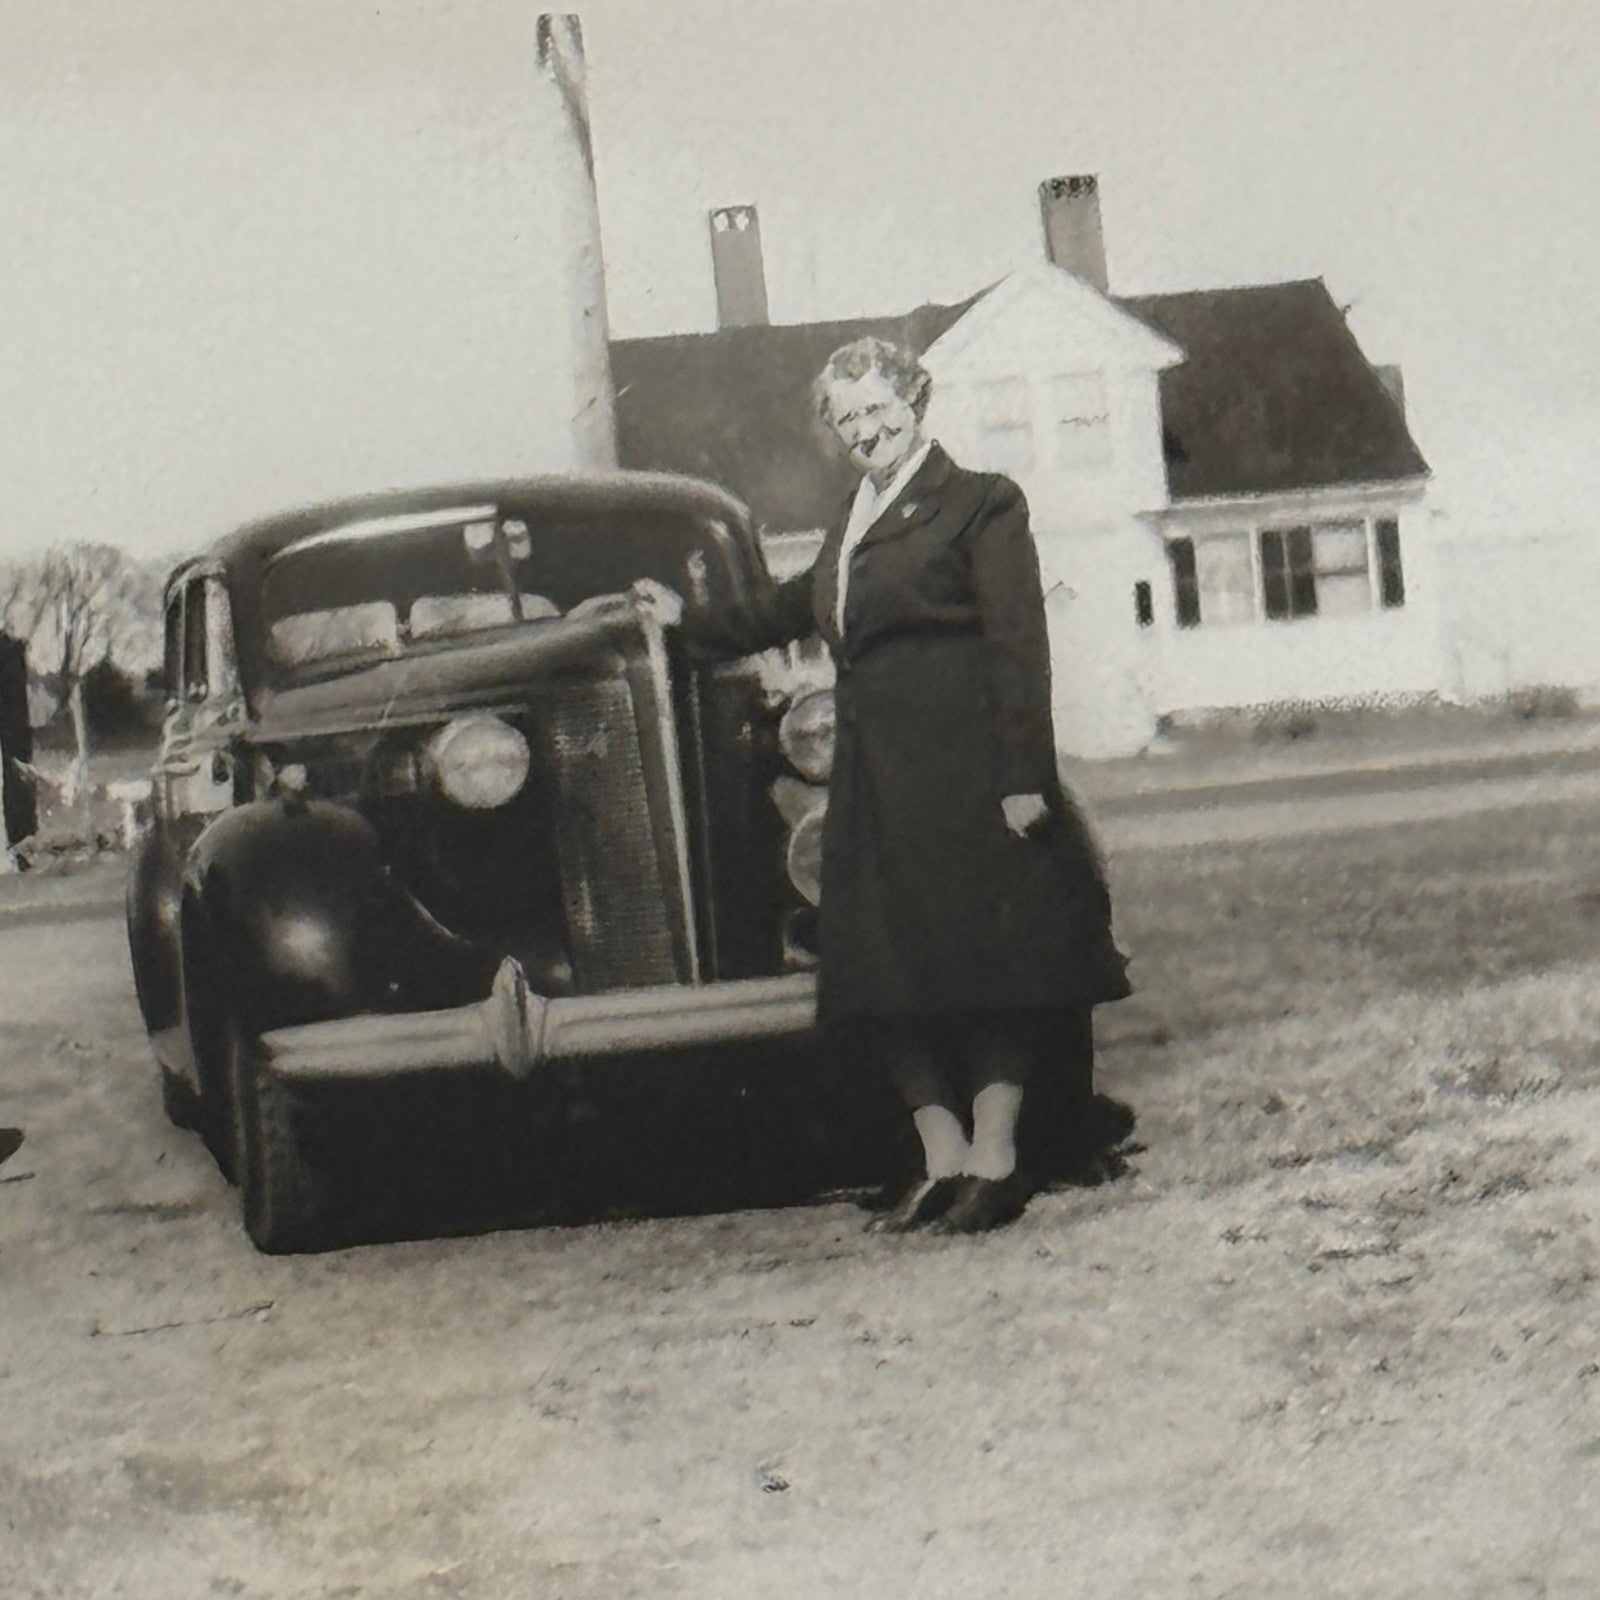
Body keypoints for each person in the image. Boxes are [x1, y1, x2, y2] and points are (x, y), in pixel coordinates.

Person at [634, 336, 1130, 1233]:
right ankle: (940, 1156)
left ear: (915, 402)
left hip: (965, 773)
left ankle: (996, 1160)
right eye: (845, 417)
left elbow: (1020, 645)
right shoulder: (853, 520)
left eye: (876, 409)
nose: (864, 429)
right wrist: (683, 628)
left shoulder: (980, 503)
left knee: (990, 972)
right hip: (875, 780)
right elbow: (793, 606)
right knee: (877, 974)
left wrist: (1024, 778)